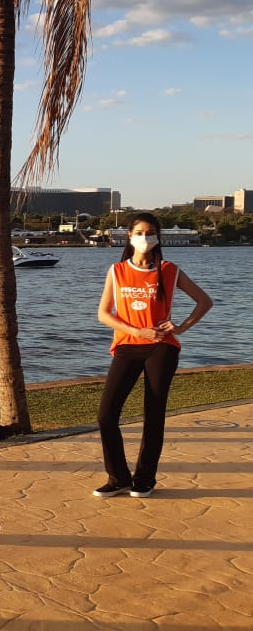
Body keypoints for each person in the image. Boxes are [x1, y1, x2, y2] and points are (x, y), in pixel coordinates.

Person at [93, 213, 211, 498]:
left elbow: (204, 301)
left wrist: (181, 327)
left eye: (150, 232)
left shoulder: (169, 270)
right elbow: (103, 314)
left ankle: (144, 478)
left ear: (157, 236)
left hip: (162, 347)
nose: (144, 238)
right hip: (127, 346)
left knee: (153, 414)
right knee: (106, 415)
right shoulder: (117, 271)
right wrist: (136, 331)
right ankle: (118, 477)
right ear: (130, 237)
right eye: (139, 232)